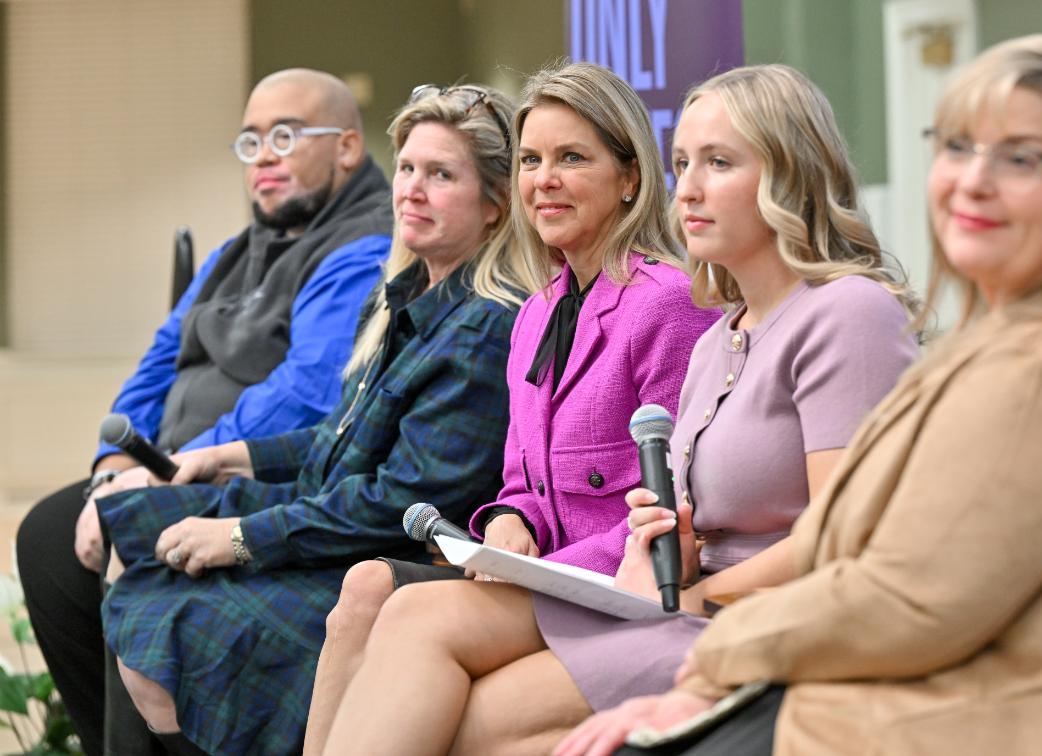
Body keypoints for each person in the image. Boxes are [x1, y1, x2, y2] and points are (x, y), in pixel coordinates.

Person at [556, 34, 1042, 756]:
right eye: (957, 147)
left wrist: (712, 655)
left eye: (1022, 158)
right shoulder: (987, 348)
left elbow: (914, 600)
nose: (973, 181)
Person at [321, 64, 920, 755]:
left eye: (718, 163)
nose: (688, 188)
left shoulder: (841, 312)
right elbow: (655, 504)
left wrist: (675, 589)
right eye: (684, 163)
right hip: (667, 596)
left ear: (791, 174)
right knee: (403, 620)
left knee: (449, 703)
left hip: (738, 618)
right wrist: (615, 534)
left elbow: (848, 538)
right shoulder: (722, 332)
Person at [95, 83, 539, 756]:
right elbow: (341, 436)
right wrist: (230, 457)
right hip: (333, 517)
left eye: (442, 175)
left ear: (494, 206)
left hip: (381, 554)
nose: (411, 190)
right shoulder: (402, 293)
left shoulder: (485, 325)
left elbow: (400, 501)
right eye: (410, 169)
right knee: (128, 540)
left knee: (171, 620)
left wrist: (241, 537)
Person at [303, 61, 720, 754]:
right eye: (530, 160)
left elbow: (677, 505)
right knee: (365, 589)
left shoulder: (667, 303)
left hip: (612, 585)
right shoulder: (536, 311)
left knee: (409, 609)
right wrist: (507, 523)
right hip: (539, 578)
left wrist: (541, 566)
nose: (543, 179)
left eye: (571, 158)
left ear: (630, 180)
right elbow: (520, 481)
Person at [14, 67, 392, 756]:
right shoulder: (234, 251)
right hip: (172, 467)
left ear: (345, 146)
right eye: (250, 142)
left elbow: (304, 394)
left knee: (126, 548)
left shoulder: (363, 246)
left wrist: (168, 474)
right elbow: (159, 359)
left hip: (256, 476)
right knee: (47, 538)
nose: (264, 158)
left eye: (284, 136)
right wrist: (115, 465)